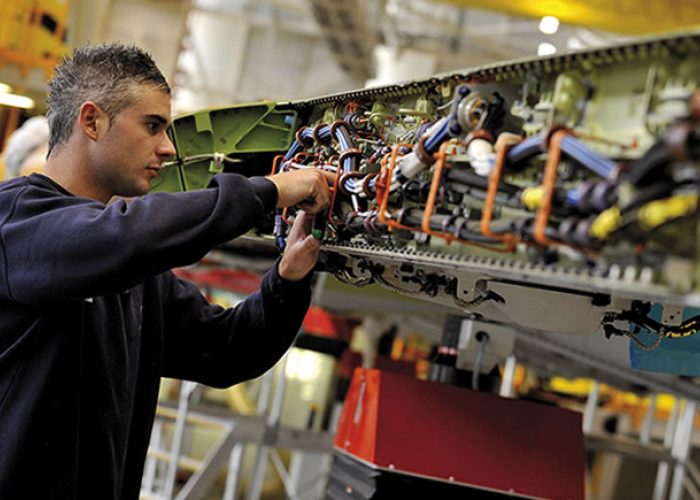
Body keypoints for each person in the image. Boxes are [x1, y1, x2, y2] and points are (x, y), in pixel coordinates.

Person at [0, 43, 334, 499]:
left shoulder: (133, 274)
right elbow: (121, 237)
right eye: (153, 126)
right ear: (92, 120)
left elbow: (227, 350)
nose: (168, 148)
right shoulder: (16, 223)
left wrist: (287, 280)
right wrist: (266, 191)